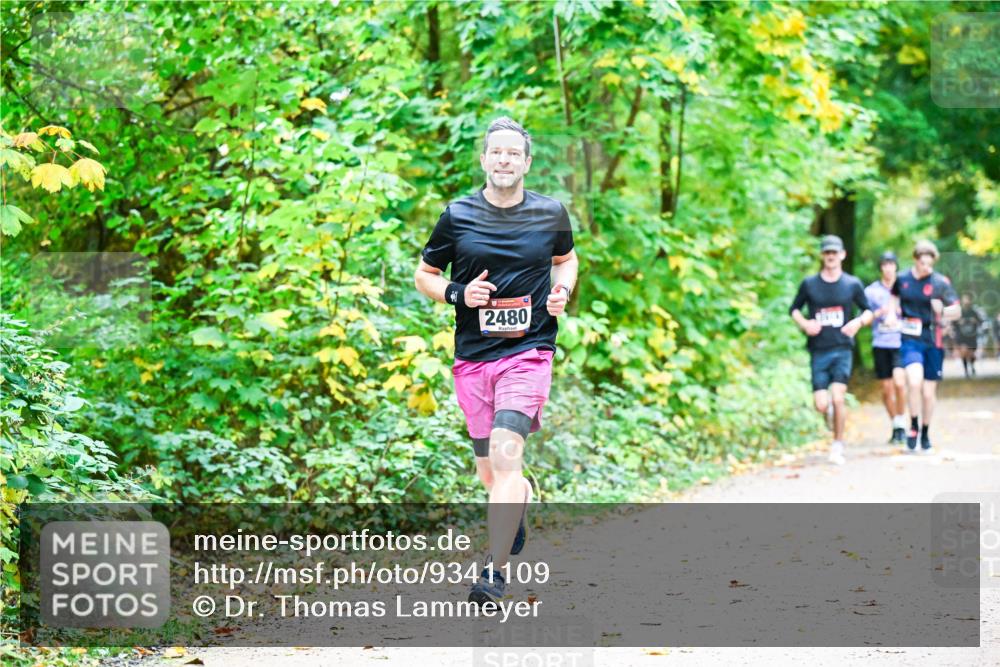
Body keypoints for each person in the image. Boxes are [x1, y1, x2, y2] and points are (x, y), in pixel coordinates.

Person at [413, 117, 578, 606]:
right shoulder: (457, 215)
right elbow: (424, 275)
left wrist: (562, 290)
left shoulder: (551, 214)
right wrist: (459, 293)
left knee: (507, 455)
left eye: (513, 153)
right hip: (473, 359)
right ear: (485, 160)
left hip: (528, 352)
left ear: (526, 163)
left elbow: (565, 260)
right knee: (492, 473)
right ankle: (515, 504)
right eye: (496, 152)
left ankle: (494, 571)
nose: (504, 159)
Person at [789, 235, 873, 465]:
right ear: (822, 256)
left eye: (834, 253)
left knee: (838, 397)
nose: (831, 256)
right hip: (819, 350)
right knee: (821, 403)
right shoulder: (809, 284)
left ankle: (837, 445)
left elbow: (868, 311)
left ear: (842, 255)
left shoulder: (852, 284)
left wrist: (857, 323)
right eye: (827, 253)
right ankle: (830, 418)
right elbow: (794, 309)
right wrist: (805, 324)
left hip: (842, 348)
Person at [887, 240, 961, 453]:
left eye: (930, 264)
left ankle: (925, 432)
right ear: (915, 260)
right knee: (914, 381)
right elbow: (893, 297)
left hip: (933, 341)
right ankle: (913, 427)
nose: (926, 268)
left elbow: (956, 311)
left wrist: (942, 311)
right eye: (923, 263)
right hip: (910, 340)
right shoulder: (902, 279)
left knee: (928, 393)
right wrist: (892, 313)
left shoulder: (940, 282)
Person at [864, 251, 907, 445]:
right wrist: (880, 312)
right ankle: (897, 425)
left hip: (900, 342)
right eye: (884, 264)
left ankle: (902, 423)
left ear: (896, 266)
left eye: (891, 264)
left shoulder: (905, 287)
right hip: (880, 343)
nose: (888, 268)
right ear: (881, 267)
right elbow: (864, 316)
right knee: (886, 388)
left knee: (900, 383)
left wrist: (901, 312)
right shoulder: (871, 291)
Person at [954, 293, 986, 377]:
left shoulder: (974, 312)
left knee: (971, 354)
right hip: (962, 336)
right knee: (964, 352)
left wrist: (975, 321)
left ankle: (972, 366)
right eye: (964, 299)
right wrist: (959, 322)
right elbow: (953, 323)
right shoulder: (959, 312)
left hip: (972, 336)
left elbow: (981, 321)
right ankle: (966, 371)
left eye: (967, 299)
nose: (966, 301)